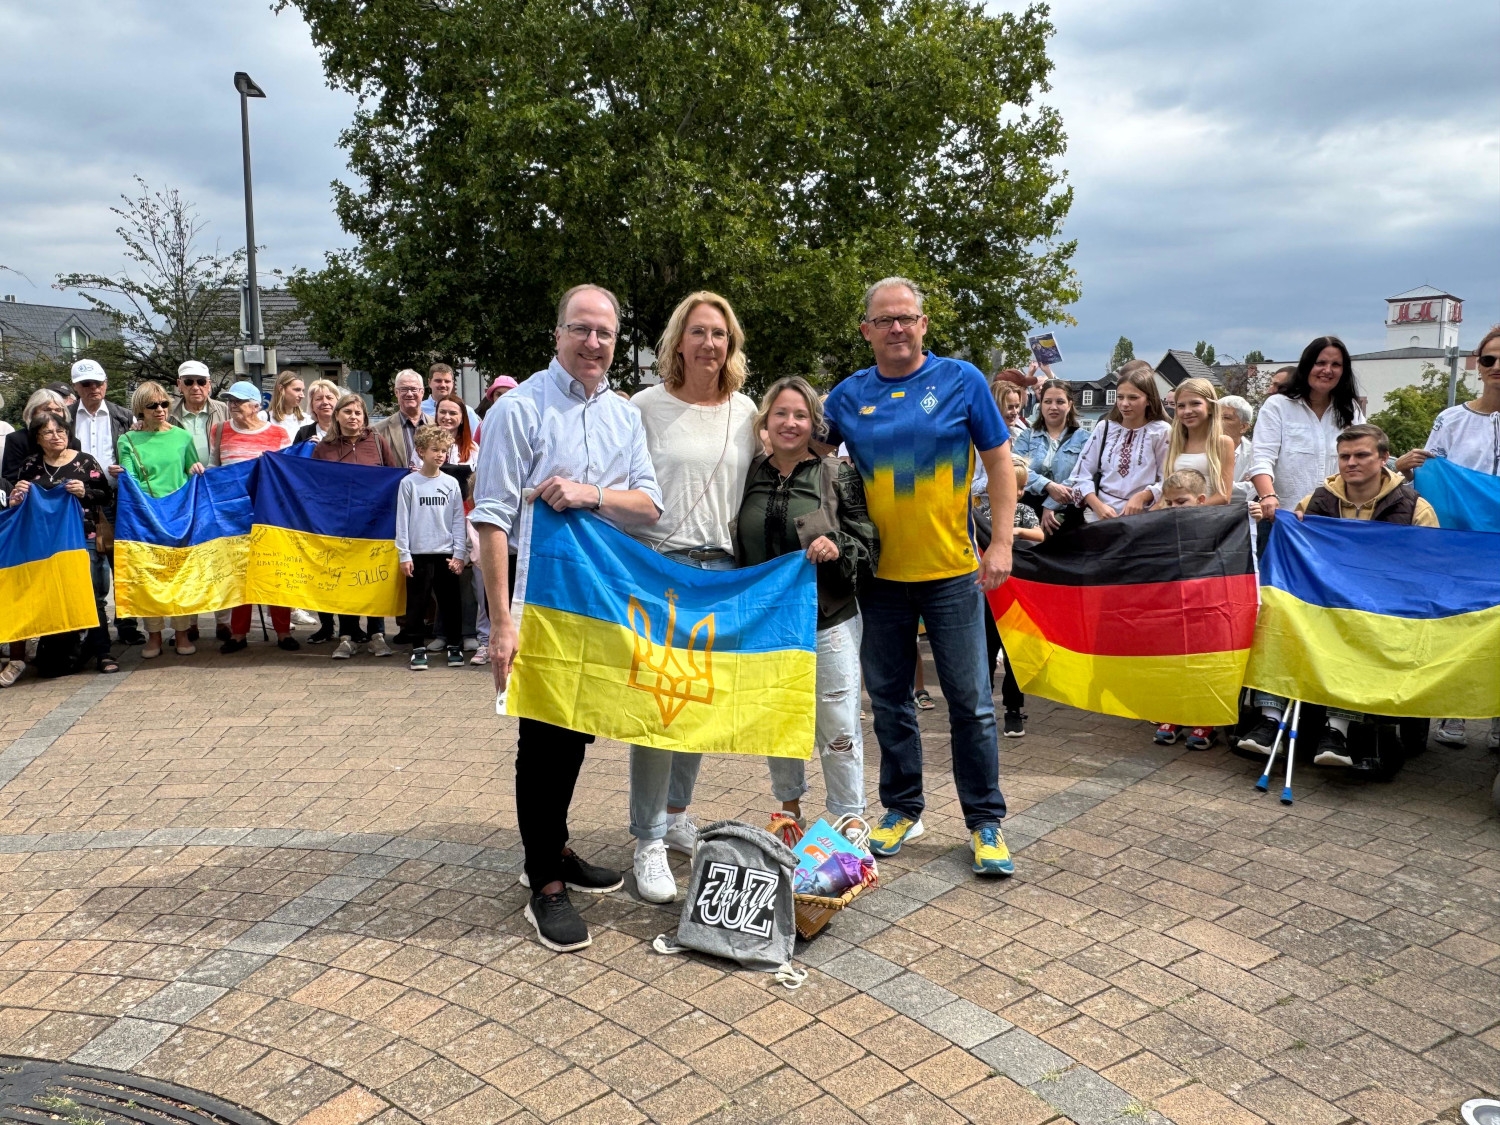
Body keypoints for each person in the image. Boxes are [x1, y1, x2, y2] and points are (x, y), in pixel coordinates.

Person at [472, 283, 662, 952]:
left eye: (604, 332)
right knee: (544, 739)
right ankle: (544, 881)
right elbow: (491, 520)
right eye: (581, 328)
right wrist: (503, 622)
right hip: (541, 605)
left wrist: (589, 493)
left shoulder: (623, 416)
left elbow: (649, 506)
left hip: (599, 603)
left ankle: (552, 846)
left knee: (578, 733)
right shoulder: (519, 410)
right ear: (557, 334)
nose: (593, 342)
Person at [821, 277, 1018, 877]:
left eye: (906, 317)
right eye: (884, 320)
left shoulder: (962, 380)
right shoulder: (847, 397)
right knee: (889, 702)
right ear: (867, 330)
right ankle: (902, 808)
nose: (897, 328)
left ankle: (985, 821)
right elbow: (806, 455)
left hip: (954, 573)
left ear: (924, 324)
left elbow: (1000, 463)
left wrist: (1002, 543)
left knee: (972, 705)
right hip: (878, 577)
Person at [625, 291, 760, 904]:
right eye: (699, 331)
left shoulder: (747, 412)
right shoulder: (644, 407)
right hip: (661, 570)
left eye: (720, 334)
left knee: (697, 703)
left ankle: (678, 813)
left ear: (732, 346)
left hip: (721, 572)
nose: (710, 343)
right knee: (659, 710)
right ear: (678, 341)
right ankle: (648, 837)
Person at [737, 377, 880, 828]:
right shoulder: (747, 474)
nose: (790, 423)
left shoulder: (837, 474)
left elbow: (870, 545)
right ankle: (789, 810)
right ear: (766, 420)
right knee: (778, 720)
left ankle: (849, 817)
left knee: (837, 723)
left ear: (814, 423)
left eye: (800, 415)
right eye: (781, 413)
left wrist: (838, 545)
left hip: (827, 618)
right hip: (767, 623)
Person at [1239, 337, 1365, 755]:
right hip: (1285, 527)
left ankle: (1336, 725)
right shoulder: (1278, 406)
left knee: (1338, 619)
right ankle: (1269, 717)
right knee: (1280, 618)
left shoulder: (1352, 411)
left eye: (1336, 364)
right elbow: (1261, 459)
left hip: (1336, 531)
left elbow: (1363, 461)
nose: (1327, 370)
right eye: (1320, 362)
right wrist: (1269, 497)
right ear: (1307, 365)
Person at [1290, 424, 1437, 770]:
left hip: (1386, 612)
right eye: (1344, 456)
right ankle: (1279, 720)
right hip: (1325, 608)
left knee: (1360, 638)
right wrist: (1291, 526)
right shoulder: (1314, 502)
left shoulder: (1416, 508)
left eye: (1361, 455)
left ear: (1384, 458)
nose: (1351, 462)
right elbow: (1295, 556)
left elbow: (1430, 568)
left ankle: (1339, 729)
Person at [1395, 324, 1500, 750]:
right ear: (1478, 365)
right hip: (1462, 543)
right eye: (1489, 358)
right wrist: (1406, 466)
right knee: (1463, 622)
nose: (1497, 366)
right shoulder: (1451, 419)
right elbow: (1431, 473)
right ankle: (1455, 708)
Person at [8, 413, 116, 673]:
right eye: (48, 432)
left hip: (83, 537)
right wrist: (17, 496)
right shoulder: (30, 465)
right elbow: (20, 505)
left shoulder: (85, 461)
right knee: (54, 595)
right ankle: (64, 651)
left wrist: (84, 492)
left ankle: (104, 653)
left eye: (61, 431)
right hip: (46, 543)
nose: (56, 436)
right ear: (37, 438)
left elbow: (106, 496)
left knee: (90, 594)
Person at [309, 393, 403, 657]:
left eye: (358, 413)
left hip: (374, 525)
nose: (353, 417)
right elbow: (314, 484)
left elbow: (393, 477)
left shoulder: (377, 442)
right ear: (337, 415)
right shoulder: (324, 447)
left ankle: (377, 635)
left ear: (364, 417)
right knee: (344, 579)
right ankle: (347, 637)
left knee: (374, 578)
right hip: (339, 525)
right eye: (347, 412)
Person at [117, 381, 205, 658]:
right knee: (148, 578)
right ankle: (153, 636)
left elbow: (190, 470)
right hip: (145, 516)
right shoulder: (127, 440)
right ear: (139, 409)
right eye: (152, 405)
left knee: (180, 576)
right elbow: (131, 479)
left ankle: (181, 634)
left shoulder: (182, 437)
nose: (160, 409)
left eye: (164, 403)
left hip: (179, 516)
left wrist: (195, 468)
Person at [213, 380, 298, 654]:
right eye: (230, 400)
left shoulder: (278, 434)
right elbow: (215, 468)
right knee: (239, 574)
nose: (233, 405)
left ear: (256, 405)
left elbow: (288, 473)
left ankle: (283, 631)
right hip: (232, 516)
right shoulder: (219, 430)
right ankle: (238, 633)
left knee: (275, 570)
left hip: (270, 514)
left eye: (239, 401)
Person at [67, 358, 141, 646]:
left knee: (122, 563)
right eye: (86, 384)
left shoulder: (124, 417)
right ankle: (97, 628)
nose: (93, 388)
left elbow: (138, 454)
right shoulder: (66, 417)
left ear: (106, 384)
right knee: (91, 567)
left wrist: (126, 468)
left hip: (118, 499)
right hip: (80, 501)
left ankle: (127, 624)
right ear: (76, 386)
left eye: (98, 383)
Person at [974, 457, 1044, 737]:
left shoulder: (1025, 511)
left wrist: (1015, 532)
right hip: (988, 596)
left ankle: (1013, 709)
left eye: (1019, 487)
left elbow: (1040, 535)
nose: (1013, 491)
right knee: (985, 652)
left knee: (1015, 653)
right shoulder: (980, 513)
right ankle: (983, 706)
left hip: (1016, 595)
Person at [1151, 469, 1219, 750]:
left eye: (1181, 502)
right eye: (1169, 503)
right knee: (1174, 657)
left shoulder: (1217, 524)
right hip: (1172, 603)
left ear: (1201, 500)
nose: (1174, 508)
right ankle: (1174, 714)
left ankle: (1207, 719)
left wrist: (1251, 514)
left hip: (1205, 605)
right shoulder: (1163, 526)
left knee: (1204, 660)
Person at [396, 426, 468, 671]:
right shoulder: (409, 483)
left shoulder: (451, 483)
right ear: (421, 451)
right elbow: (402, 521)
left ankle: (455, 645)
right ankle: (418, 647)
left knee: (451, 603)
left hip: (446, 554)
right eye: (435, 449)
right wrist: (404, 554)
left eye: (444, 451)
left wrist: (460, 553)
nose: (440, 455)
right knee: (417, 604)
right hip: (418, 554)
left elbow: (458, 520)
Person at [1068, 361, 1170, 521]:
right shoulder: (1105, 428)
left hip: (1142, 518)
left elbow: (1168, 478)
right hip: (1101, 517)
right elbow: (1080, 474)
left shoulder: (1160, 431)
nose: (1124, 404)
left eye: (1133, 397)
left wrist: (1143, 496)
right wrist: (1097, 506)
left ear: (1149, 400)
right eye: (1120, 397)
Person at [431, 393, 481, 655]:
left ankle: (468, 632)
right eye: (443, 412)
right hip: (435, 521)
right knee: (440, 580)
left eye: (453, 413)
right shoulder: (426, 449)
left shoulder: (473, 450)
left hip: (464, 520)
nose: (447, 417)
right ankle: (442, 633)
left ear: (462, 418)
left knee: (465, 580)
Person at [1012, 379, 1089, 533]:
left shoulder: (1084, 438)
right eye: (1048, 401)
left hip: (1067, 515)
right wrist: (1048, 485)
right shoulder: (1027, 436)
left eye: (1060, 402)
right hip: (1027, 513)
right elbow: (1016, 467)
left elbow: (1082, 475)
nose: (1053, 407)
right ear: (1041, 405)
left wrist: (1051, 504)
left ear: (1070, 404)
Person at [1164, 377, 1236, 504]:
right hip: (1175, 513)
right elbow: (1165, 495)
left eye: (1195, 404)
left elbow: (1224, 496)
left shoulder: (1222, 443)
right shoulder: (1175, 443)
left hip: (1206, 514)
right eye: (1181, 406)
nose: (1187, 411)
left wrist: (1191, 509)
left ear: (1210, 407)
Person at [3, 389, 76, 485]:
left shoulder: (72, 440)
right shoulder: (17, 440)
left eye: (58, 410)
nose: (53, 413)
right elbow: (10, 480)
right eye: (47, 410)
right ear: (32, 412)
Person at [170, 361, 230, 464]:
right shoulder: (169, 414)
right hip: (182, 473)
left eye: (201, 382)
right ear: (179, 385)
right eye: (188, 382)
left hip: (216, 473)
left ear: (209, 385)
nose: (195, 387)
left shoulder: (223, 410)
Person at [374, 370, 426, 469]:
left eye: (414, 389)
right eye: (404, 389)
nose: (409, 394)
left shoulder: (437, 425)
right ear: (396, 392)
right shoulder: (379, 430)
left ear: (422, 392)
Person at [420, 362, 482, 431]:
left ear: (452, 383)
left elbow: (475, 435)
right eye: (438, 381)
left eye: (447, 381)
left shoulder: (467, 411)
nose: (443, 385)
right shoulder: (420, 409)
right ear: (429, 382)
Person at [1218, 395, 1256, 505]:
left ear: (1243, 427)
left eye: (1226, 418)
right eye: (1215, 417)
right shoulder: (1199, 447)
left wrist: (1217, 488)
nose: (1217, 422)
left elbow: (1254, 490)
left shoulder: (1255, 454)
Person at [293, 379, 342, 445]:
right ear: (311, 405)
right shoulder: (304, 433)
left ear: (338, 402)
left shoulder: (347, 431)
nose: (325, 402)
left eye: (329, 398)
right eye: (319, 399)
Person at [268, 371, 309, 441]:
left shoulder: (306, 420)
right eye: (297, 390)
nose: (302, 395)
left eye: (303, 391)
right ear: (281, 389)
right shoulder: (264, 418)